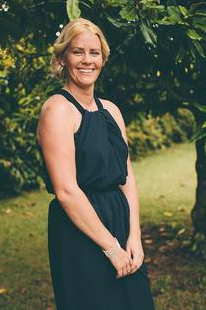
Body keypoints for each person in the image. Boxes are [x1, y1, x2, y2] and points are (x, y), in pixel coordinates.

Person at [36, 18, 155, 309]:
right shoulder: (57, 110)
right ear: (62, 58)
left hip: (119, 219)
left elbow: (127, 179)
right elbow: (66, 190)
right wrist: (111, 247)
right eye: (78, 52)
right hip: (80, 231)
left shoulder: (112, 110)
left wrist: (134, 237)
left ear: (103, 58)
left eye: (94, 52)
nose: (87, 60)